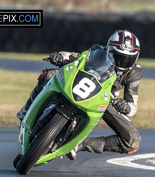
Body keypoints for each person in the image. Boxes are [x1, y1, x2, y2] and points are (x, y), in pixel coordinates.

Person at [17, 30, 142, 160]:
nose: (123, 63)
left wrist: (126, 107)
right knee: (50, 75)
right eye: (118, 57)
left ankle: (79, 144)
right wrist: (60, 56)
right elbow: (76, 57)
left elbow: (133, 105)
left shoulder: (135, 73)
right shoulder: (97, 51)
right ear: (108, 49)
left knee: (133, 141)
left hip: (104, 101)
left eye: (129, 59)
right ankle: (25, 111)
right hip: (79, 83)